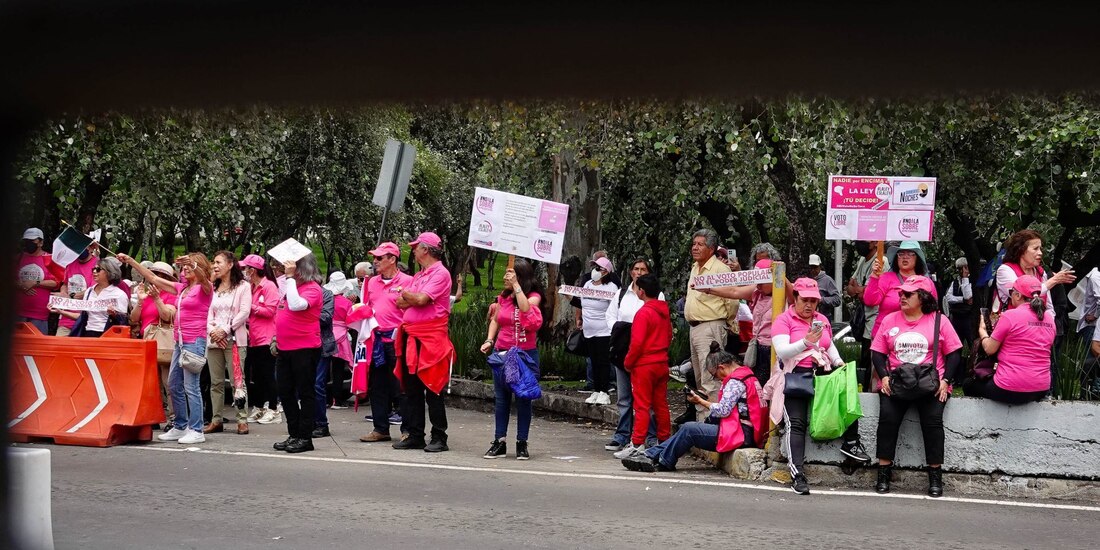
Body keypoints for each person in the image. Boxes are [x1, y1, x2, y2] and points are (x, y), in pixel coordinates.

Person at [770, 278, 870, 495]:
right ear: (794, 298)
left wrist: (838, 362)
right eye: (805, 300)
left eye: (814, 301)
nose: (809, 305)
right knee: (796, 424)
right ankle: (797, 474)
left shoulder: (821, 319)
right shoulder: (783, 320)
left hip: (821, 374)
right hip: (795, 376)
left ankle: (852, 443)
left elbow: (828, 345)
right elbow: (782, 351)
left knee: (849, 390)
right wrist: (805, 342)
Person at [870, 275, 962, 497]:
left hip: (930, 383)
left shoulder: (939, 320)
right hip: (897, 382)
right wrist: (883, 377)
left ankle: (935, 476)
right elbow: (877, 352)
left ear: (922, 297)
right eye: (901, 293)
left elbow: (955, 353)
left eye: (908, 294)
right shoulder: (890, 320)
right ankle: (883, 473)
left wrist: (945, 380)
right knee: (888, 421)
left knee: (932, 423)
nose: (902, 297)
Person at [621, 347, 768, 473]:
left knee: (689, 428)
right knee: (689, 429)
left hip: (740, 433)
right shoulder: (747, 375)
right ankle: (649, 455)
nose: (718, 379)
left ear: (721, 367)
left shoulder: (735, 381)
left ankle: (663, 461)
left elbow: (723, 410)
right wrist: (707, 401)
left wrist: (701, 401)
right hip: (745, 431)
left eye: (714, 375)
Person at [120, 252, 213, 445]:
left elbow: (204, 278)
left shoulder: (205, 288)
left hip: (194, 341)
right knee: (173, 384)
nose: (185, 269)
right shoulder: (182, 288)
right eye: (184, 266)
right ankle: (180, 425)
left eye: (190, 266)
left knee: (191, 386)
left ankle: (197, 429)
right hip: (179, 341)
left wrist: (194, 265)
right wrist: (130, 261)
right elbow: (153, 278)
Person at [393, 232, 456, 453]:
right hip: (413, 336)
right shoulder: (420, 276)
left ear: (426, 249)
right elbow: (402, 303)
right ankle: (416, 434)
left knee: (433, 387)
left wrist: (406, 293)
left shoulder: (441, 273)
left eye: (416, 247)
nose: (413, 250)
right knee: (412, 389)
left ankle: (439, 436)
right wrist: (409, 296)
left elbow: (419, 299)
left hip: (431, 339)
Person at [480, 258, 544, 460]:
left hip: (525, 354)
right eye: (506, 275)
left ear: (520, 275)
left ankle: (521, 442)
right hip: (503, 352)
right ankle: (499, 441)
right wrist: (490, 340)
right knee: (502, 399)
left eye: (510, 274)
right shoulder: (503, 297)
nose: (505, 278)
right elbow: (496, 320)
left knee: (524, 398)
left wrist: (516, 285)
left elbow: (526, 309)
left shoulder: (534, 296)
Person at [603, 258, 664, 453]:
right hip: (642, 355)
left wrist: (630, 360)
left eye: (643, 269)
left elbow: (639, 341)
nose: (639, 273)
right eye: (635, 269)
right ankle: (632, 436)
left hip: (643, 359)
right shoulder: (624, 295)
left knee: (645, 403)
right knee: (634, 399)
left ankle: (642, 441)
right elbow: (611, 315)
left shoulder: (647, 309)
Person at [966, 275, 1055, 404]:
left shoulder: (1010, 316)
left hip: (1008, 387)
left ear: (1018, 295)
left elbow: (989, 349)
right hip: (1041, 388)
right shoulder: (1049, 318)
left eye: (1011, 292)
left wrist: (982, 332)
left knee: (968, 384)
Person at [359, 242, 413, 443]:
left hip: (398, 339)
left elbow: (414, 308)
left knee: (401, 386)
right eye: (375, 257)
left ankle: (408, 429)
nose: (375, 261)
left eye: (380, 258)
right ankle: (380, 428)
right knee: (377, 385)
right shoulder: (371, 282)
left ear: (393, 259)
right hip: (376, 340)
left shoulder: (408, 281)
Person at [272, 253, 325, 454]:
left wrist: (290, 278)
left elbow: (296, 305)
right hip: (285, 349)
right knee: (285, 392)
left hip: (305, 349)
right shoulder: (293, 287)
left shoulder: (313, 289)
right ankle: (294, 433)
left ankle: (305, 437)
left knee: (305, 392)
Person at [617, 274, 673, 460]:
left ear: (642, 291)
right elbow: (668, 337)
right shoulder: (664, 312)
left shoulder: (643, 313)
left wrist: (628, 362)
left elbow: (637, 344)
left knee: (641, 406)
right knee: (661, 405)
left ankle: (637, 443)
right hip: (661, 363)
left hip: (644, 365)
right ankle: (664, 442)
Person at [685, 228, 738, 420]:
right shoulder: (695, 267)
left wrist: (726, 323)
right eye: (694, 244)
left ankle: (713, 424)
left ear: (712, 248)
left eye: (700, 244)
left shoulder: (720, 269)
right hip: (695, 328)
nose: (695, 248)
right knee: (700, 379)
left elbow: (732, 301)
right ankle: (702, 422)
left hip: (711, 326)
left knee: (711, 379)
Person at [204, 251, 251, 435]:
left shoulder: (243, 286)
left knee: (237, 381)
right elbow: (207, 312)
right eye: (213, 262)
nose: (215, 266)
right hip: (214, 339)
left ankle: (242, 419)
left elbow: (244, 312)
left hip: (234, 338)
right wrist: (213, 331)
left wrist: (225, 330)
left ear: (230, 264)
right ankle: (216, 419)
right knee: (215, 382)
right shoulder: (212, 288)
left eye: (218, 262)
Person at [129, 261, 178, 425]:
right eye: (154, 274)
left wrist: (157, 298)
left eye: (160, 275)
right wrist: (141, 301)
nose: (155, 278)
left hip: (163, 343)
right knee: (151, 383)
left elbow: (167, 316)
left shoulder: (171, 294)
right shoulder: (146, 295)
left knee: (168, 382)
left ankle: (174, 417)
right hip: (147, 342)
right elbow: (134, 319)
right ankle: (154, 415)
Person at [863, 240, 937, 340]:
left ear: (917, 259)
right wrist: (874, 276)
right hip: (885, 336)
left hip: (917, 339)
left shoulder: (926, 282)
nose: (905, 257)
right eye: (901, 254)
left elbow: (933, 313)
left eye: (910, 253)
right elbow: (870, 301)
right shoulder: (886, 278)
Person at [240, 254, 282, 425]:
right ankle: (259, 407)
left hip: (266, 337)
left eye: (245, 268)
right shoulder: (250, 287)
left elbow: (270, 311)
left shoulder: (269, 286)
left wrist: (250, 306)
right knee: (257, 375)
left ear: (253, 270)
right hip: (254, 337)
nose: (243, 272)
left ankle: (273, 409)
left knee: (268, 375)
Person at [994, 229, 1074, 317]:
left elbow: (1048, 306)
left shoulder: (1040, 272)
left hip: (1037, 328)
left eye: (1040, 249)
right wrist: (1053, 280)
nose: (1040, 253)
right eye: (1035, 249)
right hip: (1013, 327)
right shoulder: (1005, 270)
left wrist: (1049, 323)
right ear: (1021, 250)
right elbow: (1022, 294)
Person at [577, 256, 618, 405]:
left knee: (603, 361)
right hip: (589, 330)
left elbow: (615, 308)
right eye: (594, 267)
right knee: (593, 361)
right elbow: (581, 303)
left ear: (606, 271)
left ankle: (604, 391)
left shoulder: (611, 287)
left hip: (604, 331)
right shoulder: (587, 284)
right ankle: (596, 389)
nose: (595, 270)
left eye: (598, 268)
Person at [53, 257, 129, 337]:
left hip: (107, 335)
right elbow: (82, 316)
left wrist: (114, 314)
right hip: (87, 333)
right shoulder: (89, 291)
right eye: (94, 269)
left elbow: (123, 322)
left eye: (98, 269)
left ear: (109, 272)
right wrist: (60, 311)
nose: (94, 272)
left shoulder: (119, 294)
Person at [846, 240, 880, 390]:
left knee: (871, 359)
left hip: (875, 318)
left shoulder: (880, 260)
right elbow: (850, 287)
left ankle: (870, 391)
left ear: (874, 243)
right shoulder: (862, 260)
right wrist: (859, 289)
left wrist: (859, 290)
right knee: (864, 359)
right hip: (864, 318)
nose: (859, 243)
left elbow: (867, 295)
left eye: (863, 240)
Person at [16, 227, 63, 333]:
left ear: (40, 242)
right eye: (27, 241)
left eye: (32, 241)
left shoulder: (49, 259)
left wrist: (35, 283)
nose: (29, 244)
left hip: (39, 314)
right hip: (18, 311)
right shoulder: (18, 258)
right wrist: (21, 285)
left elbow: (56, 282)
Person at [55, 242, 98, 337]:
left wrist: (71, 296)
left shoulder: (97, 265)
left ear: (91, 248)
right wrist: (63, 292)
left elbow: (92, 290)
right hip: (66, 316)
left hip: (86, 318)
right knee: (58, 347)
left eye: (83, 246)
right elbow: (65, 284)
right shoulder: (70, 264)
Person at [312, 285, 336, 438]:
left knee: (316, 384)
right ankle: (310, 420)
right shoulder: (295, 291)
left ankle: (321, 423)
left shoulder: (326, 294)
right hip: (301, 344)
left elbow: (326, 317)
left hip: (321, 345)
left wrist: (306, 311)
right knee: (303, 385)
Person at [945, 257, 976, 348]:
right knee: (956, 345)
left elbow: (968, 296)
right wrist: (962, 300)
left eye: (964, 268)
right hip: (956, 317)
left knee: (971, 343)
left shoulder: (971, 281)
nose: (962, 270)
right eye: (960, 268)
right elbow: (948, 297)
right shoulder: (954, 282)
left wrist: (965, 278)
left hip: (968, 317)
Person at [807, 254, 841, 320]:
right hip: (808, 317)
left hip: (824, 317)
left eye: (815, 267)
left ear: (820, 266)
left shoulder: (827, 280)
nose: (813, 270)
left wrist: (821, 300)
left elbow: (837, 300)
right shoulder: (806, 280)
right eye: (811, 268)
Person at [1075, 268, 1100, 344]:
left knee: (1091, 353)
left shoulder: (1095, 277)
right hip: (1090, 323)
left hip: (1092, 324)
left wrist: (1095, 316)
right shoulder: (1094, 276)